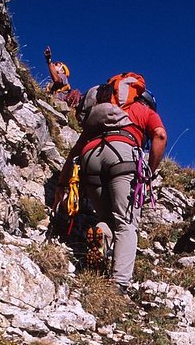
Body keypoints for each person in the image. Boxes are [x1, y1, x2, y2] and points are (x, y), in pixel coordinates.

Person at [53, 85, 168, 294]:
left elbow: (73, 154)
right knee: (126, 222)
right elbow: (160, 135)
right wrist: (149, 171)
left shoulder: (103, 114)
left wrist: (61, 185)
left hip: (90, 160)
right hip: (122, 156)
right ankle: (118, 285)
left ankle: (101, 234)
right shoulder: (143, 111)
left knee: (107, 216)